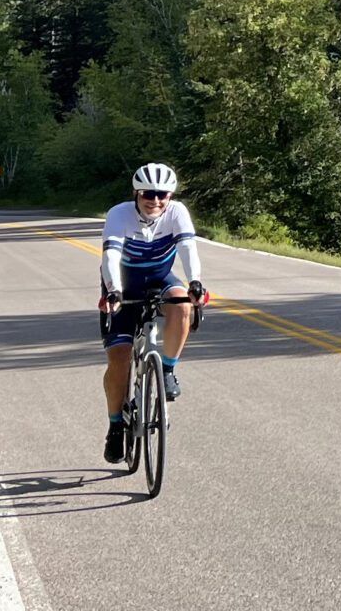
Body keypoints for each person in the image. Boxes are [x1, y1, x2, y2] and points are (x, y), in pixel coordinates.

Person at [97, 162, 207, 464]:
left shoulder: (177, 212)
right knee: (119, 357)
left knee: (183, 302)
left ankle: (168, 369)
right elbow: (111, 256)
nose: (155, 201)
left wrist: (195, 282)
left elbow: (187, 248)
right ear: (136, 193)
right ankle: (116, 425)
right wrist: (114, 290)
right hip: (122, 283)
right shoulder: (119, 214)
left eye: (162, 195)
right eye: (148, 194)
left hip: (160, 279)